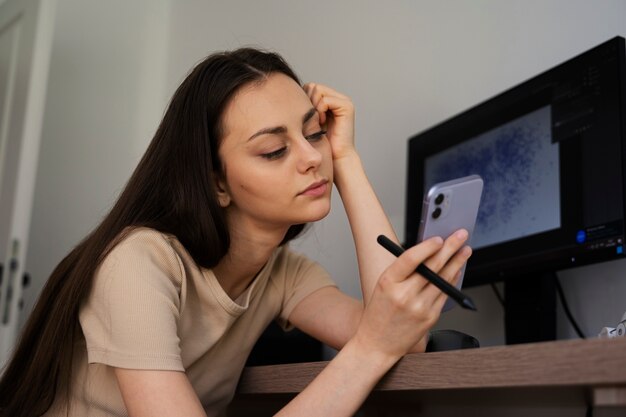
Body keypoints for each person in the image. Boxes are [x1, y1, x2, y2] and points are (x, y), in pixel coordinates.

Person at [0, 47, 471, 417]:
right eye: (273, 150)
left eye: (313, 134)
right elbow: (379, 340)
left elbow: (404, 338)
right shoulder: (137, 263)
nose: (311, 158)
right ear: (216, 183)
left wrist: (346, 161)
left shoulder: (284, 272)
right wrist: (370, 348)